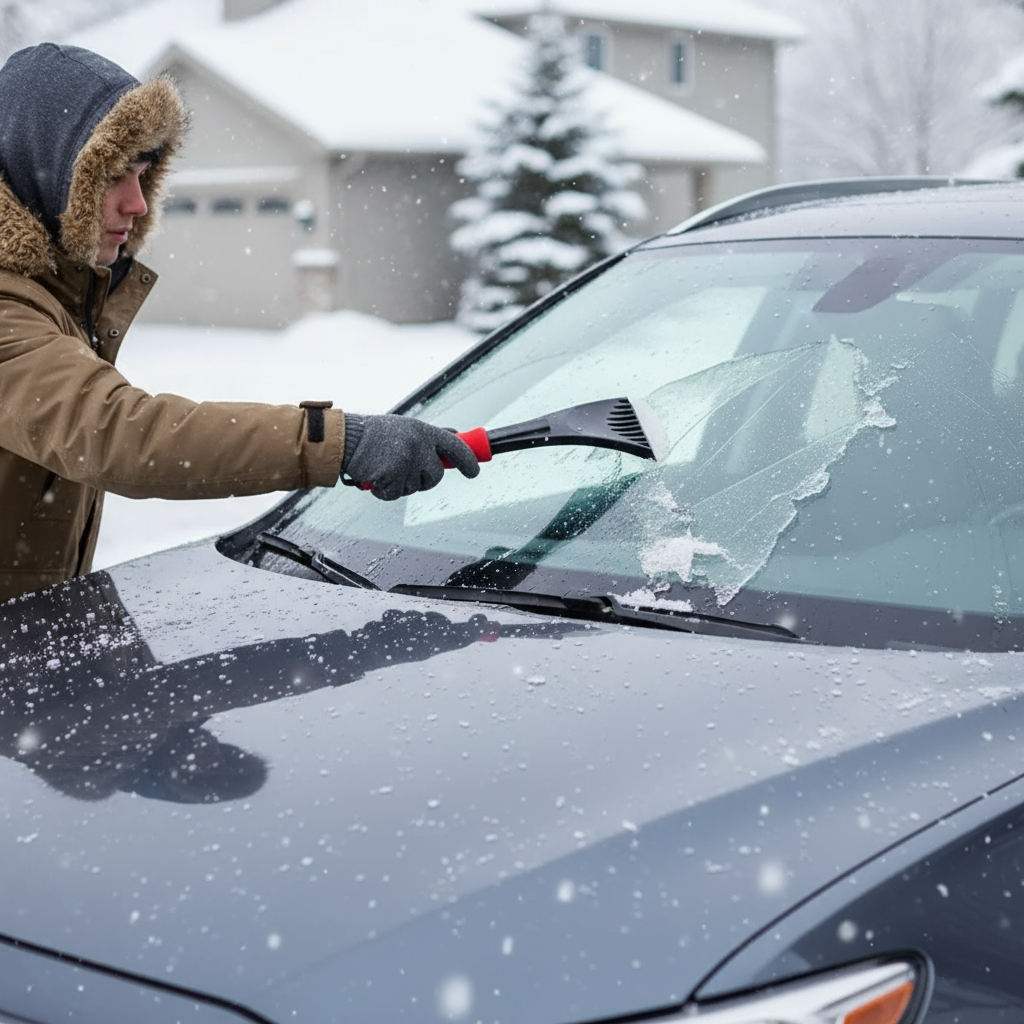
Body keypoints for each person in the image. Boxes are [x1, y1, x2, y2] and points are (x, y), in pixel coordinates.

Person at [0, 44, 479, 605]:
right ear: (42, 170)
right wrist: (336, 441)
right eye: (112, 176)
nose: (137, 203)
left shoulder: (50, 292)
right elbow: (118, 434)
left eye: (143, 176)